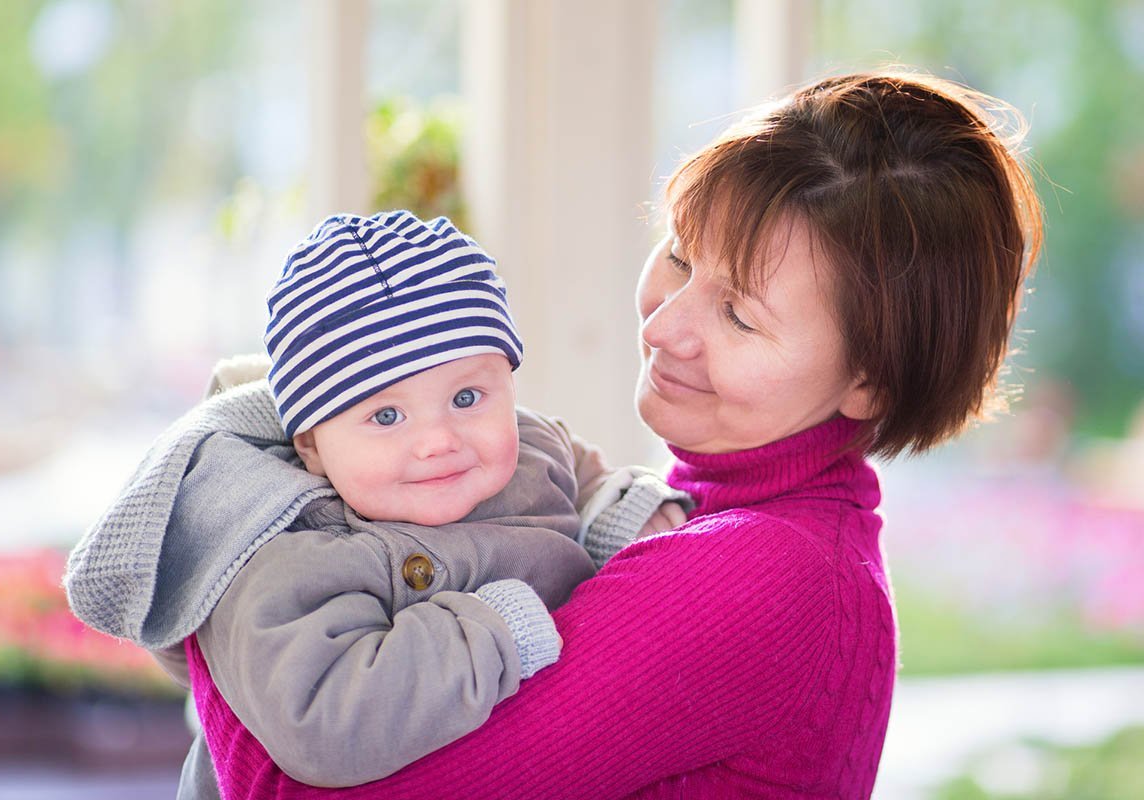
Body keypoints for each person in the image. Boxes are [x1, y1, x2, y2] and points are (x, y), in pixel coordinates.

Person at [100, 66, 1045, 799]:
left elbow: (291, 786)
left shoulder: (765, 579)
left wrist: (229, 556)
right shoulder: (696, 520)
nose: (666, 323)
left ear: (870, 378)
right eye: (678, 253)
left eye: (740, 316)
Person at [64, 212, 690, 792]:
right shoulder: (287, 552)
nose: (438, 440)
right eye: (386, 415)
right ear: (311, 446)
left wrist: (620, 506)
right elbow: (321, 720)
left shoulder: (529, 443)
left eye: (468, 398)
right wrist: (492, 631)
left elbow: (578, 466)